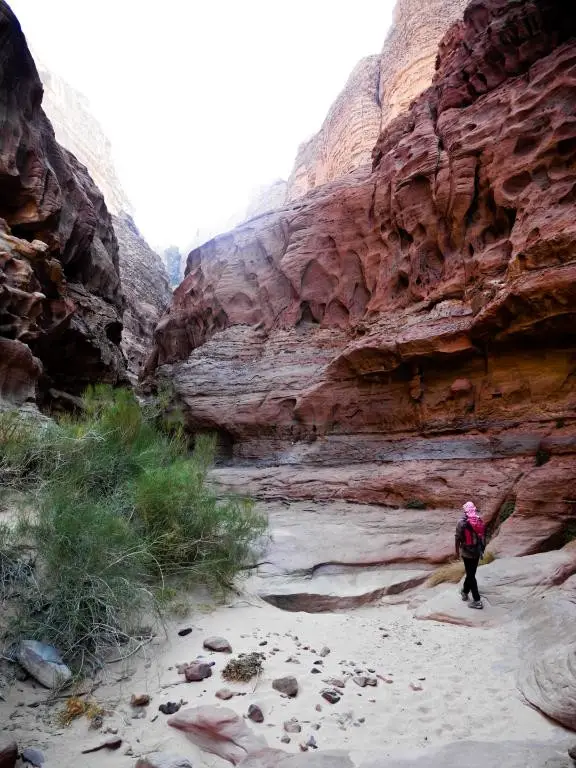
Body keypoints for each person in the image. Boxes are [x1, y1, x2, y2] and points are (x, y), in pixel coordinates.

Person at [455, 501, 486, 609]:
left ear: (465, 510)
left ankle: (477, 601)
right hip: (477, 552)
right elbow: (482, 537)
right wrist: (482, 550)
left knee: (471, 575)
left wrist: (456, 552)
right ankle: (465, 591)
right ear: (474, 509)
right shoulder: (479, 520)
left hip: (466, 553)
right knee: (471, 573)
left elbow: (457, 537)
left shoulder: (461, 522)